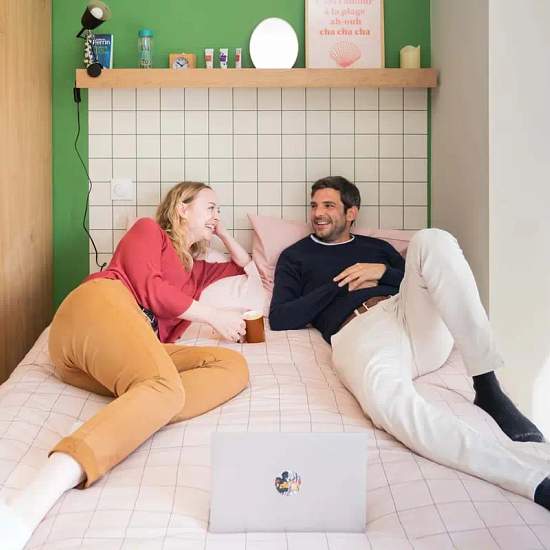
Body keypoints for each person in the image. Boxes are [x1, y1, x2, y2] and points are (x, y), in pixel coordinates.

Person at [269, 175, 550, 511]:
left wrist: (382, 272)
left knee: (433, 239)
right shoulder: (295, 256)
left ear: (351, 212)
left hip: (407, 315)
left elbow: (424, 278)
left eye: (328, 205)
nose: (318, 213)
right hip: (360, 332)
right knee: (392, 404)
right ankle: (533, 480)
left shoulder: (378, 249)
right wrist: (338, 285)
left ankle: (487, 386)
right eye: (314, 205)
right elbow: (280, 317)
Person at [1, 182, 251, 549]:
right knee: (164, 388)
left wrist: (223, 233)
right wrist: (213, 315)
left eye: (219, 210)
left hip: (127, 352)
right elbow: (151, 290)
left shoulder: (197, 271)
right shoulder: (148, 232)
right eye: (210, 207)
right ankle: (31, 502)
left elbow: (249, 268)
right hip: (96, 309)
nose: (217, 214)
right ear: (182, 208)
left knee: (231, 366)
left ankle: (123, 417)